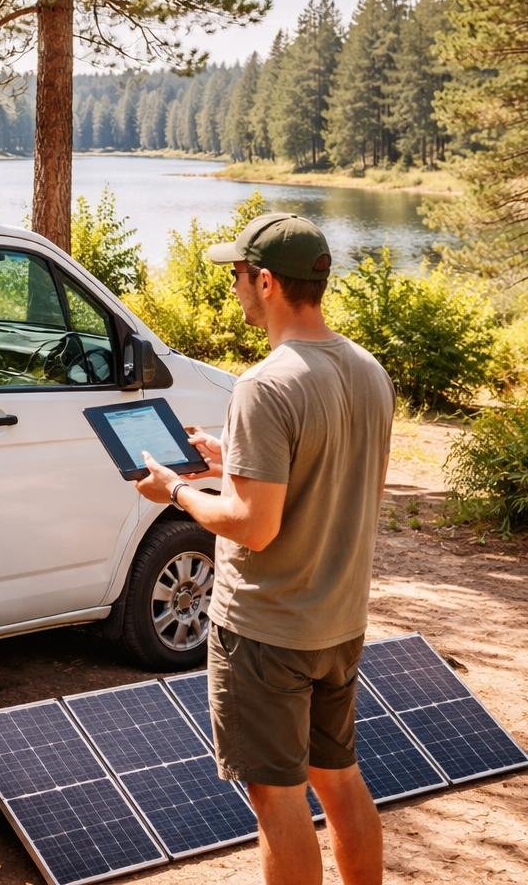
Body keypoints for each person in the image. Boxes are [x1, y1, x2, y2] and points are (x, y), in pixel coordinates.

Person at [133, 212, 394, 885]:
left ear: (268, 282)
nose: (234, 287)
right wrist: (233, 457)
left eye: (237, 275)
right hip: (338, 622)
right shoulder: (368, 371)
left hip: (268, 629)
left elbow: (253, 526)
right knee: (339, 781)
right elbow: (334, 472)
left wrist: (175, 492)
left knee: (277, 799)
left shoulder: (265, 383)